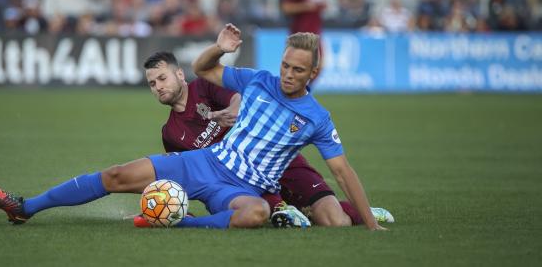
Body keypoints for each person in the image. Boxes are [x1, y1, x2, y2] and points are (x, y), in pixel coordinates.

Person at [0, 23, 387, 230]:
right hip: (203, 162)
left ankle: (183, 222)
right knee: (116, 174)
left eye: (296, 70)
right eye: (284, 65)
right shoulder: (259, 80)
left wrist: (369, 228)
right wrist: (220, 48)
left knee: (255, 215)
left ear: (312, 72)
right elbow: (204, 69)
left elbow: (343, 171)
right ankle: (26, 208)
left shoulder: (317, 118)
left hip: (242, 190)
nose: (286, 74)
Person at [135, 51, 393, 227]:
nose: (158, 86)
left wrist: (231, 111)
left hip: (278, 155)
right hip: (238, 181)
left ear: (179, 74)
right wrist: (168, 208)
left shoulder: (204, 86)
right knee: (277, 214)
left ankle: (360, 211)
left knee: (333, 219)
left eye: (162, 78)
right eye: (152, 83)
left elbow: (237, 97)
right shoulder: (170, 133)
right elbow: (185, 176)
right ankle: (286, 210)